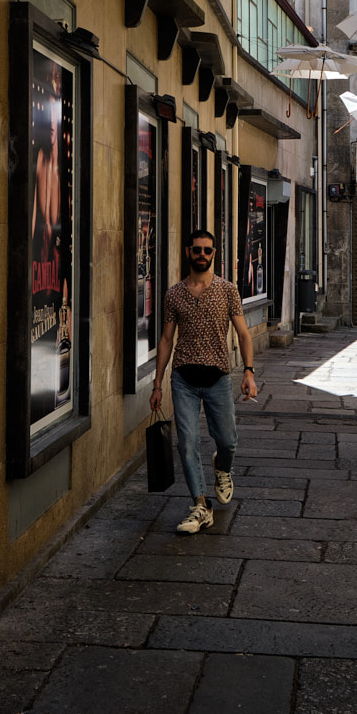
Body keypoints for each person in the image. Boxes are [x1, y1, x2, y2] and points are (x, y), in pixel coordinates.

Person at [150, 228, 258, 534]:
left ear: (214, 254)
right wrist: (157, 383)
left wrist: (248, 372)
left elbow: (243, 333)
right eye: (196, 249)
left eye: (207, 250)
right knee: (187, 444)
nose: (201, 254)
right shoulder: (174, 294)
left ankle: (222, 467)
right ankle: (201, 506)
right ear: (187, 252)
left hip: (218, 378)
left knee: (228, 441)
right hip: (183, 378)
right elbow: (167, 339)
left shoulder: (227, 291)